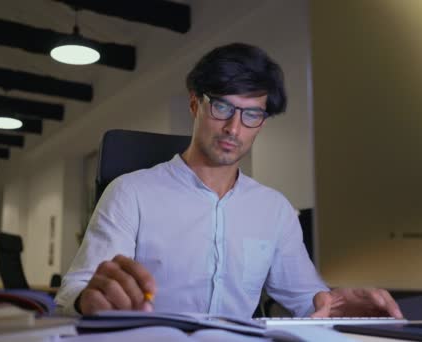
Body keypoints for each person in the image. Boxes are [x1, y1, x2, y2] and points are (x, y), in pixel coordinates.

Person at [55, 43, 403, 319]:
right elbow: (74, 292)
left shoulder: (275, 210)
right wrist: (90, 299)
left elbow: (307, 299)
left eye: (251, 114)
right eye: (222, 108)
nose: (233, 129)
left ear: (262, 122)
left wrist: (340, 307)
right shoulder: (130, 193)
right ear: (195, 104)